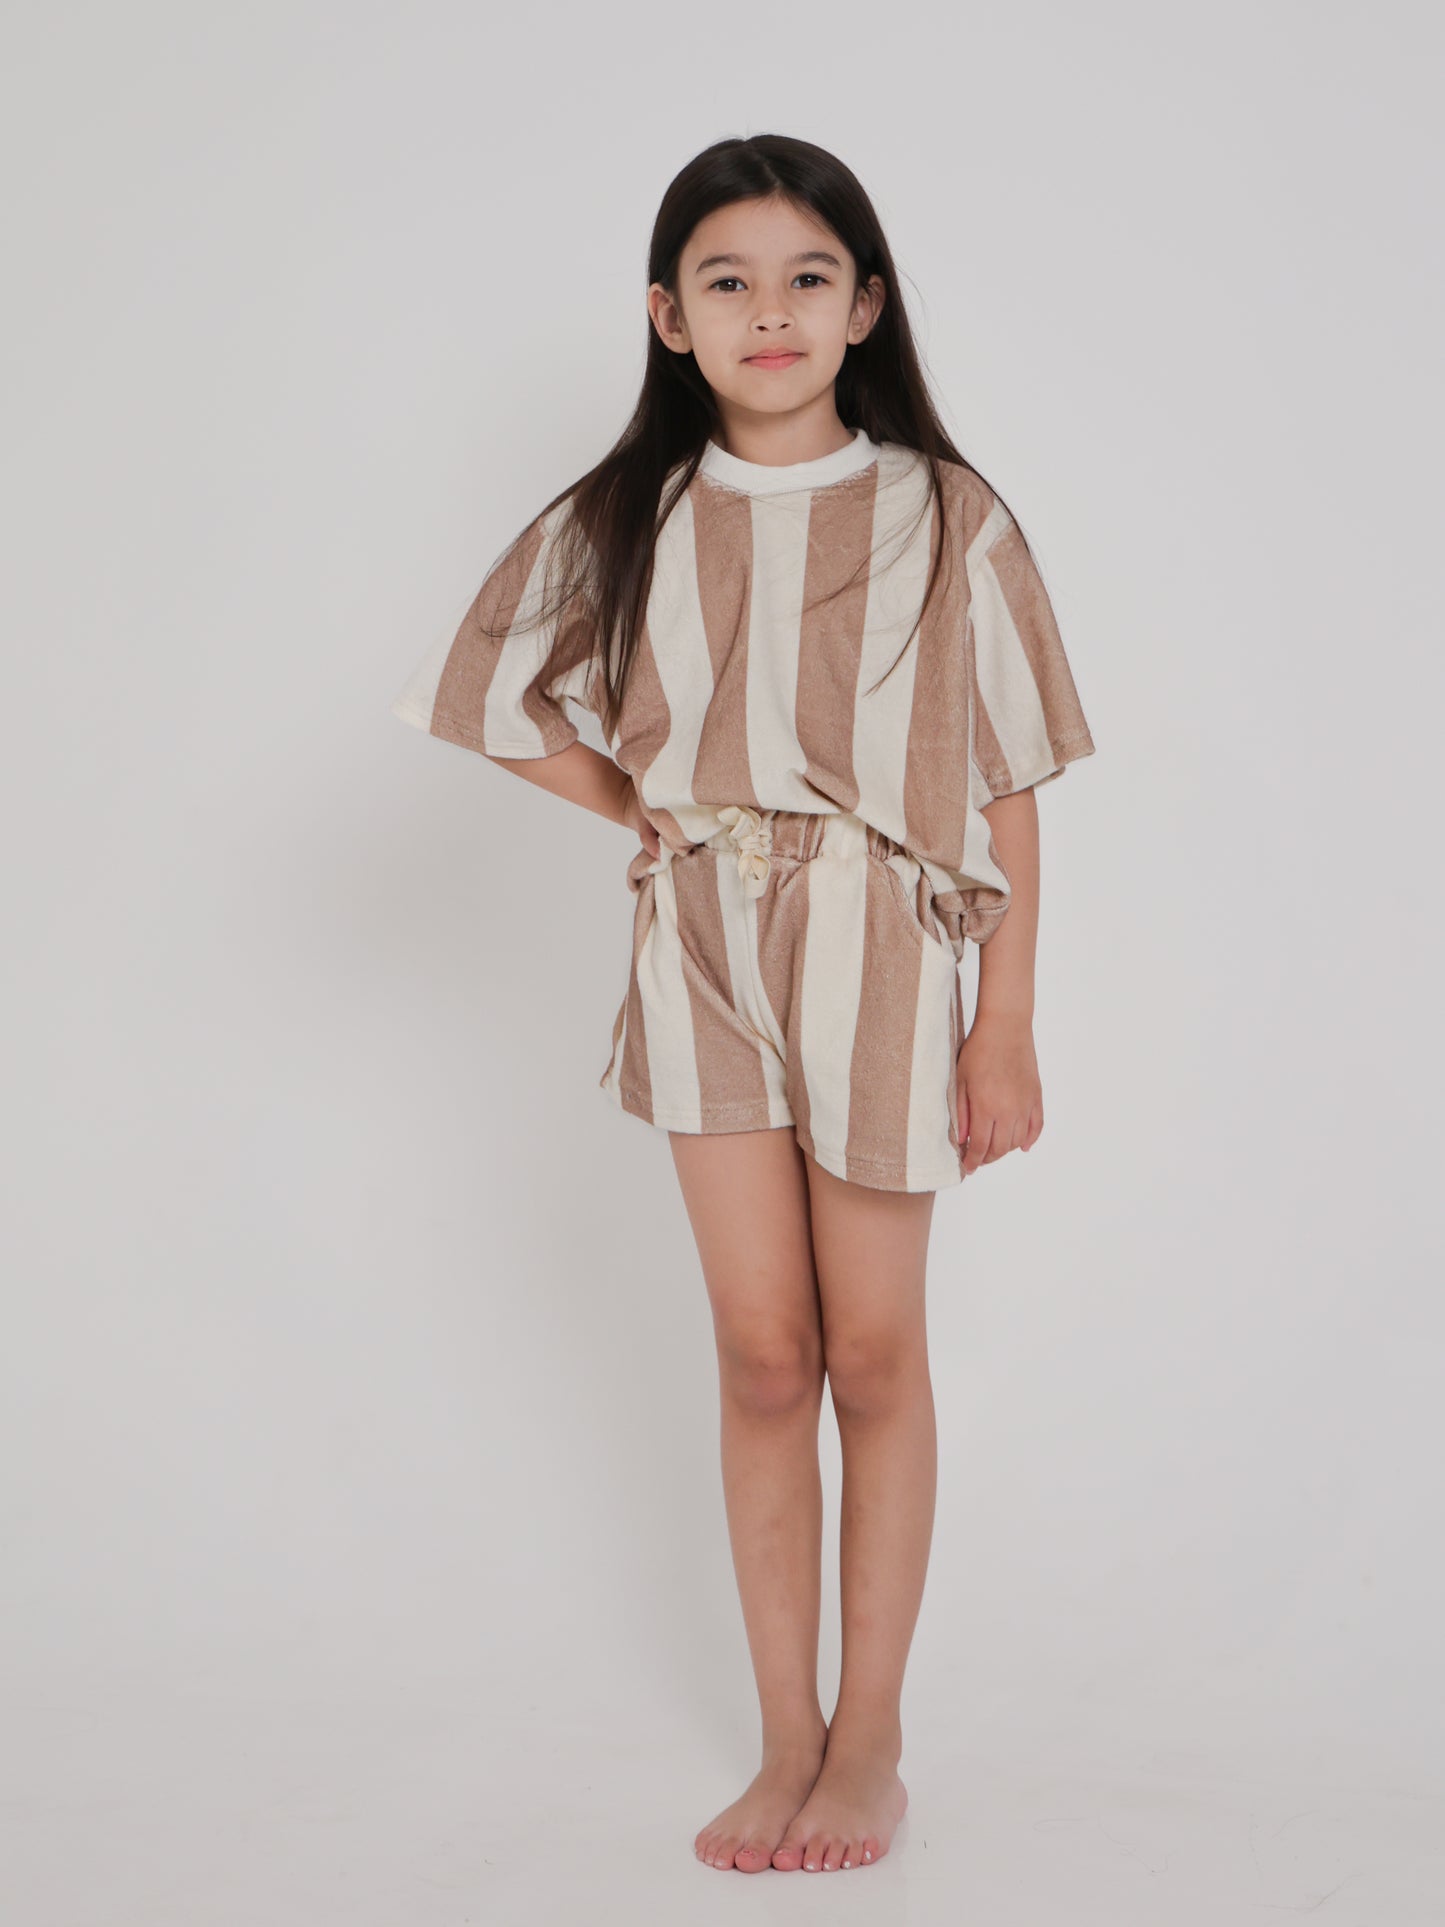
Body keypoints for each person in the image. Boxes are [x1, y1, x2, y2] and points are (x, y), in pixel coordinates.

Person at [391, 133, 1096, 1876]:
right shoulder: (626, 514)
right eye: (726, 281)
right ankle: (784, 1734)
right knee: (765, 1353)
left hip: (877, 939)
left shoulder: (945, 513)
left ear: (862, 307)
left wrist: (1002, 1020)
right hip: (699, 942)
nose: (767, 311)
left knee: (870, 1351)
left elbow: (1009, 778)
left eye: (804, 278)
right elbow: (486, 690)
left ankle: (871, 1742)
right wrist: (643, 812)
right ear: (667, 316)